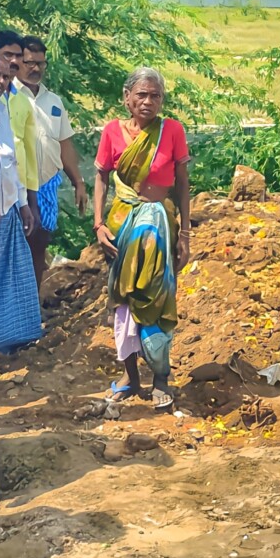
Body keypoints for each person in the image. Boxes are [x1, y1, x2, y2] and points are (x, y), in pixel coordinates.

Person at [94, 68, 192, 410]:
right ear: (127, 98)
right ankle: (130, 377)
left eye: (155, 96)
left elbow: (181, 181)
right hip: (121, 225)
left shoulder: (172, 130)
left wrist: (186, 233)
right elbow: (102, 178)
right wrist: (98, 224)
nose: (148, 102)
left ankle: (161, 377)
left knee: (159, 297)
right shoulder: (111, 132)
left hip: (161, 226)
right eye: (141, 95)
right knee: (123, 300)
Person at [0, 54, 42, 355]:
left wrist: (22, 203)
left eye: (5, 76)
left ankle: (7, 341)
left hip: (6, 205)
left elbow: (9, 160)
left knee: (8, 273)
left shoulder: (1, 108)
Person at [17, 35, 86, 287]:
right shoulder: (8, 94)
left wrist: (78, 182)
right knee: (11, 252)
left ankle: (33, 313)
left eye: (41, 63)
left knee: (39, 247)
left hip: (46, 186)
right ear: (17, 61)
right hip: (16, 188)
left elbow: (64, 143)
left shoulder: (53, 101)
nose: (35, 68)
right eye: (29, 62)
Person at [0, 30, 41, 235]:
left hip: (16, 195)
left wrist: (30, 201)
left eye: (18, 56)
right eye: (7, 54)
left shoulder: (23, 100)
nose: (14, 61)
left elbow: (28, 155)